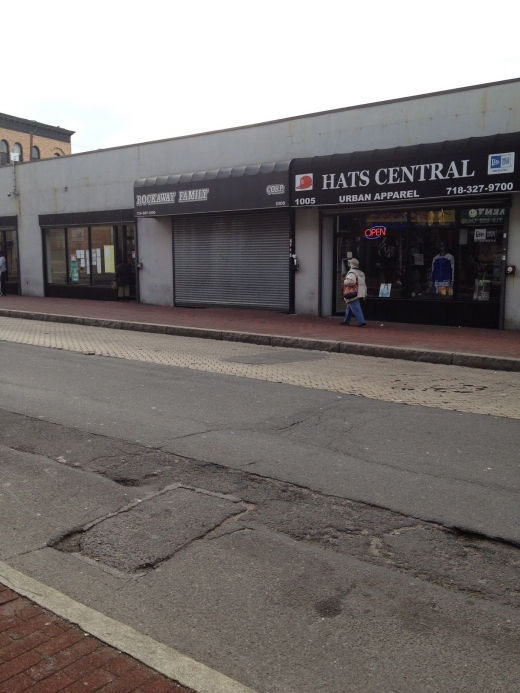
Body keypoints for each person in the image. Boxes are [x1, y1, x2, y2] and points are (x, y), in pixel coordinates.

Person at [342, 258, 367, 326]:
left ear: (351, 264)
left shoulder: (352, 272)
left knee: (355, 307)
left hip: (352, 293)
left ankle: (362, 322)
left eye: (350, 263)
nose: (349, 264)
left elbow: (351, 282)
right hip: (359, 291)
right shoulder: (361, 272)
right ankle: (346, 321)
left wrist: (345, 281)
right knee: (350, 306)